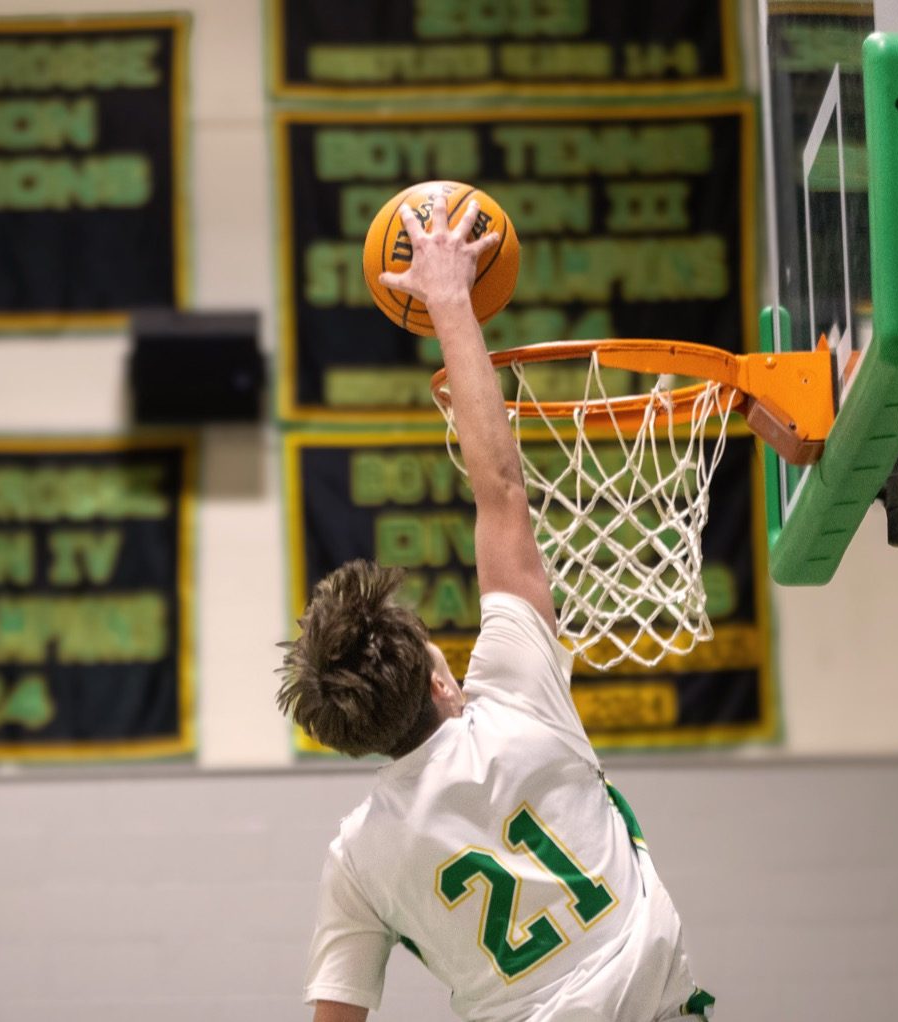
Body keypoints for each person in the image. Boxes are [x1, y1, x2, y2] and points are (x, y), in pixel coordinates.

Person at [276, 192, 714, 1022]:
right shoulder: (513, 697)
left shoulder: (358, 861)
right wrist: (448, 298)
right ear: (442, 683)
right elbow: (501, 488)